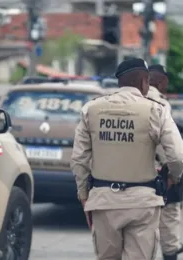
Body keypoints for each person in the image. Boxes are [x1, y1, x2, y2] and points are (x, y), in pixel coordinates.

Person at [71, 58, 183, 260]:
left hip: (103, 200)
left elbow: (79, 158)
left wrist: (84, 194)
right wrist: (174, 176)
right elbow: (177, 155)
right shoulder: (157, 110)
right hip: (143, 201)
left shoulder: (91, 110)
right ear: (144, 82)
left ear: (119, 82)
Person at [148, 64, 183, 260]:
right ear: (161, 82)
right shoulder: (161, 103)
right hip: (158, 173)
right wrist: (174, 174)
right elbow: (170, 148)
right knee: (169, 219)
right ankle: (170, 252)